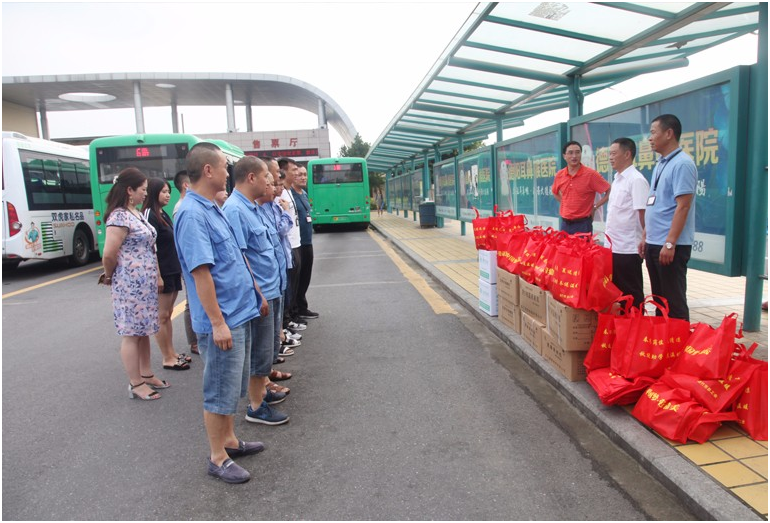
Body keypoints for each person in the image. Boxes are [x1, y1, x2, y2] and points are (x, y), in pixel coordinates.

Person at [174, 142, 264, 484]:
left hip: (237, 313)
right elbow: (201, 273)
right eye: (225, 167)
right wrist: (216, 323)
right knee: (218, 387)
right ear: (208, 170)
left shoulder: (211, 207)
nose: (229, 172)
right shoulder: (192, 214)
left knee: (231, 387)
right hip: (221, 320)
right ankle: (217, 457)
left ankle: (229, 441)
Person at [222, 156, 290, 426]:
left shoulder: (251, 207)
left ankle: (261, 392)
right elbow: (240, 257)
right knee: (259, 352)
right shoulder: (235, 210)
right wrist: (258, 292)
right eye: (266, 177)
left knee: (266, 348)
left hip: (270, 288)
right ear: (251, 177)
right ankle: (256, 406)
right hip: (259, 293)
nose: (270, 183)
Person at [100, 167, 168, 401]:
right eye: (142, 190)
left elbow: (151, 248)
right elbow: (109, 253)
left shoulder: (136, 213)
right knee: (131, 332)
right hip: (129, 284)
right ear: (129, 190)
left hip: (145, 283)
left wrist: (157, 275)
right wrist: (110, 276)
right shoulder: (119, 216)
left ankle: (147, 374)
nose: (144, 194)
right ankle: (135, 382)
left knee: (144, 330)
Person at [639, 114, 698, 321]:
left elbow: (683, 207)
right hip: (655, 243)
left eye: (654, 132)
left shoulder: (682, 164)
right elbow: (655, 202)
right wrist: (646, 235)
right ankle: (662, 345)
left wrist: (670, 243)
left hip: (670, 246)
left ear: (669, 133)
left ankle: (678, 347)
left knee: (673, 302)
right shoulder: (661, 163)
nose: (650, 138)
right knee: (659, 300)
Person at [144, 177, 191, 370]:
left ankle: (172, 352)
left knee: (168, 313)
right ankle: (167, 357)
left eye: (168, 191)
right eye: (163, 191)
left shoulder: (162, 213)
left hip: (172, 268)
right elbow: (149, 246)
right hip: (161, 270)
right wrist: (157, 275)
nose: (167, 195)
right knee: (161, 316)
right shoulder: (149, 214)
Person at [605, 138, 650, 308]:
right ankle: (623, 327)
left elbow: (643, 213)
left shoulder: (636, 180)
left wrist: (645, 239)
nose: (610, 157)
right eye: (609, 154)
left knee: (632, 292)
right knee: (619, 292)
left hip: (629, 248)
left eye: (614, 153)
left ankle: (636, 327)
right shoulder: (617, 179)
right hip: (614, 247)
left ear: (627, 154)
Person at [552, 141, 611, 234]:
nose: (574, 156)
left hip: (583, 224)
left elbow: (609, 191)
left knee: (584, 249)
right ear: (564, 156)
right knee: (564, 248)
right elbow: (555, 192)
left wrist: (595, 207)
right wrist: (566, 202)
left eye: (577, 152)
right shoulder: (560, 175)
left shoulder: (591, 174)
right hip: (565, 224)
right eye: (570, 153)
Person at [277, 158, 306, 333]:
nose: (297, 174)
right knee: (287, 286)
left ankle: (290, 317)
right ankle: (286, 322)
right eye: (294, 170)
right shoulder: (280, 194)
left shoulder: (288, 192)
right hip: (288, 245)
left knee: (293, 285)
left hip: (295, 243)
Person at [173, 170, 198, 356]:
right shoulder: (183, 209)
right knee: (192, 302)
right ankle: (194, 341)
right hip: (190, 265)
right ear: (186, 185)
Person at [292, 164, 318, 320]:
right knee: (297, 279)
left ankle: (302, 306)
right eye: (299, 174)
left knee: (306, 277)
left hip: (308, 242)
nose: (303, 177)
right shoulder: (290, 195)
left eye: (304, 174)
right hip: (298, 243)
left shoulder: (304, 194)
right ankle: (295, 310)